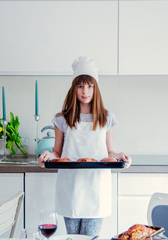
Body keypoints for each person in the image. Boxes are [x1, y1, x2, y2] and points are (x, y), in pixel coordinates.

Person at [38, 56, 132, 237]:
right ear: (73, 88)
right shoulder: (62, 119)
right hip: (70, 187)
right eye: (80, 86)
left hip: (97, 186)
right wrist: (47, 156)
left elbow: (109, 151)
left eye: (90, 86)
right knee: (72, 237)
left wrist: (119, 156)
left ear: (96, 88)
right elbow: (57, 152)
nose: (85, 91)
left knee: (90, 237)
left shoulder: (106, 117)